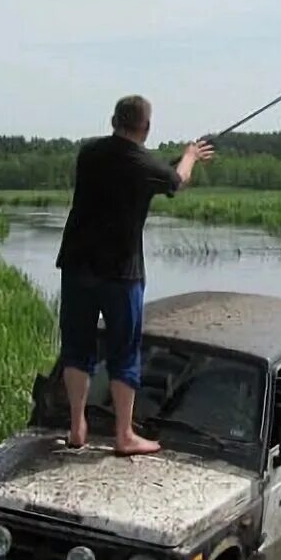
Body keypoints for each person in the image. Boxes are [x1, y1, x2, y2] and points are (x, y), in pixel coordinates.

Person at [54, 94, 214, 455]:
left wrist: (166, 169)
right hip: (120, 274)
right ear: (147, 127)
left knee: (76, 348)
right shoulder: (146, 166)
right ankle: (124, 435)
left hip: (77, 264)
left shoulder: (89, 154)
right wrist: (189, 156)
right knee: (124, 352)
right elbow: (176, 181)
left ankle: (76, 425)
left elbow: (138, 174)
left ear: (113, 121)